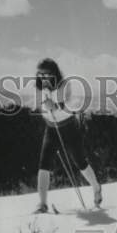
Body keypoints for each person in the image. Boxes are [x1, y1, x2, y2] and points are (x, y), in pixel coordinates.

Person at [33, 58, 102, 213]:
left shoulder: (65, 85)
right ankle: (42, 204)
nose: (43, 77)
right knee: (43, 165)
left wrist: (55, 105)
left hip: (69, 128)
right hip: (51, 129)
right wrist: (44, 108)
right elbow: (40, 106)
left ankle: (96, 187)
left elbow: (72, 106)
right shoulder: (39, 89)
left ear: (54, 73)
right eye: (40, 74)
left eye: (47, 74)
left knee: (80, 162)